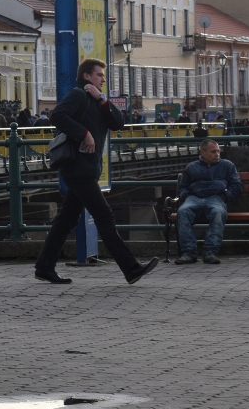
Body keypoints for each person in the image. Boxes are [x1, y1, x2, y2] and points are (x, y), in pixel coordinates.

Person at [34, 59, 159, 285]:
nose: (103, 79)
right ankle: (131, 268)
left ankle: (44, 267)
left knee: (66, 220)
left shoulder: (96, 99)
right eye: (99, 75)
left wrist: (102, 99)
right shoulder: (78, 95)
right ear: (86, 76)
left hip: (86, 168)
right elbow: (58, 115)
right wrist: (84, 133)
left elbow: (118, 123)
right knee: (104, 216)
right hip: (77, 167)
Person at [174, 139, 242, 265]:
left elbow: (237, 185)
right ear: (203, 152)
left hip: (216, 197)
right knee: (183, 211)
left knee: (218, 212)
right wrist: (187, 196)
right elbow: (183, 187)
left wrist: (225, 197)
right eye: (213, 152)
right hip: (194, 197)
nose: (217, 154)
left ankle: (210, 252)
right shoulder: (192, 167)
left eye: (218, 151)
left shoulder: (227, 165)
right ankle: (188, 253)